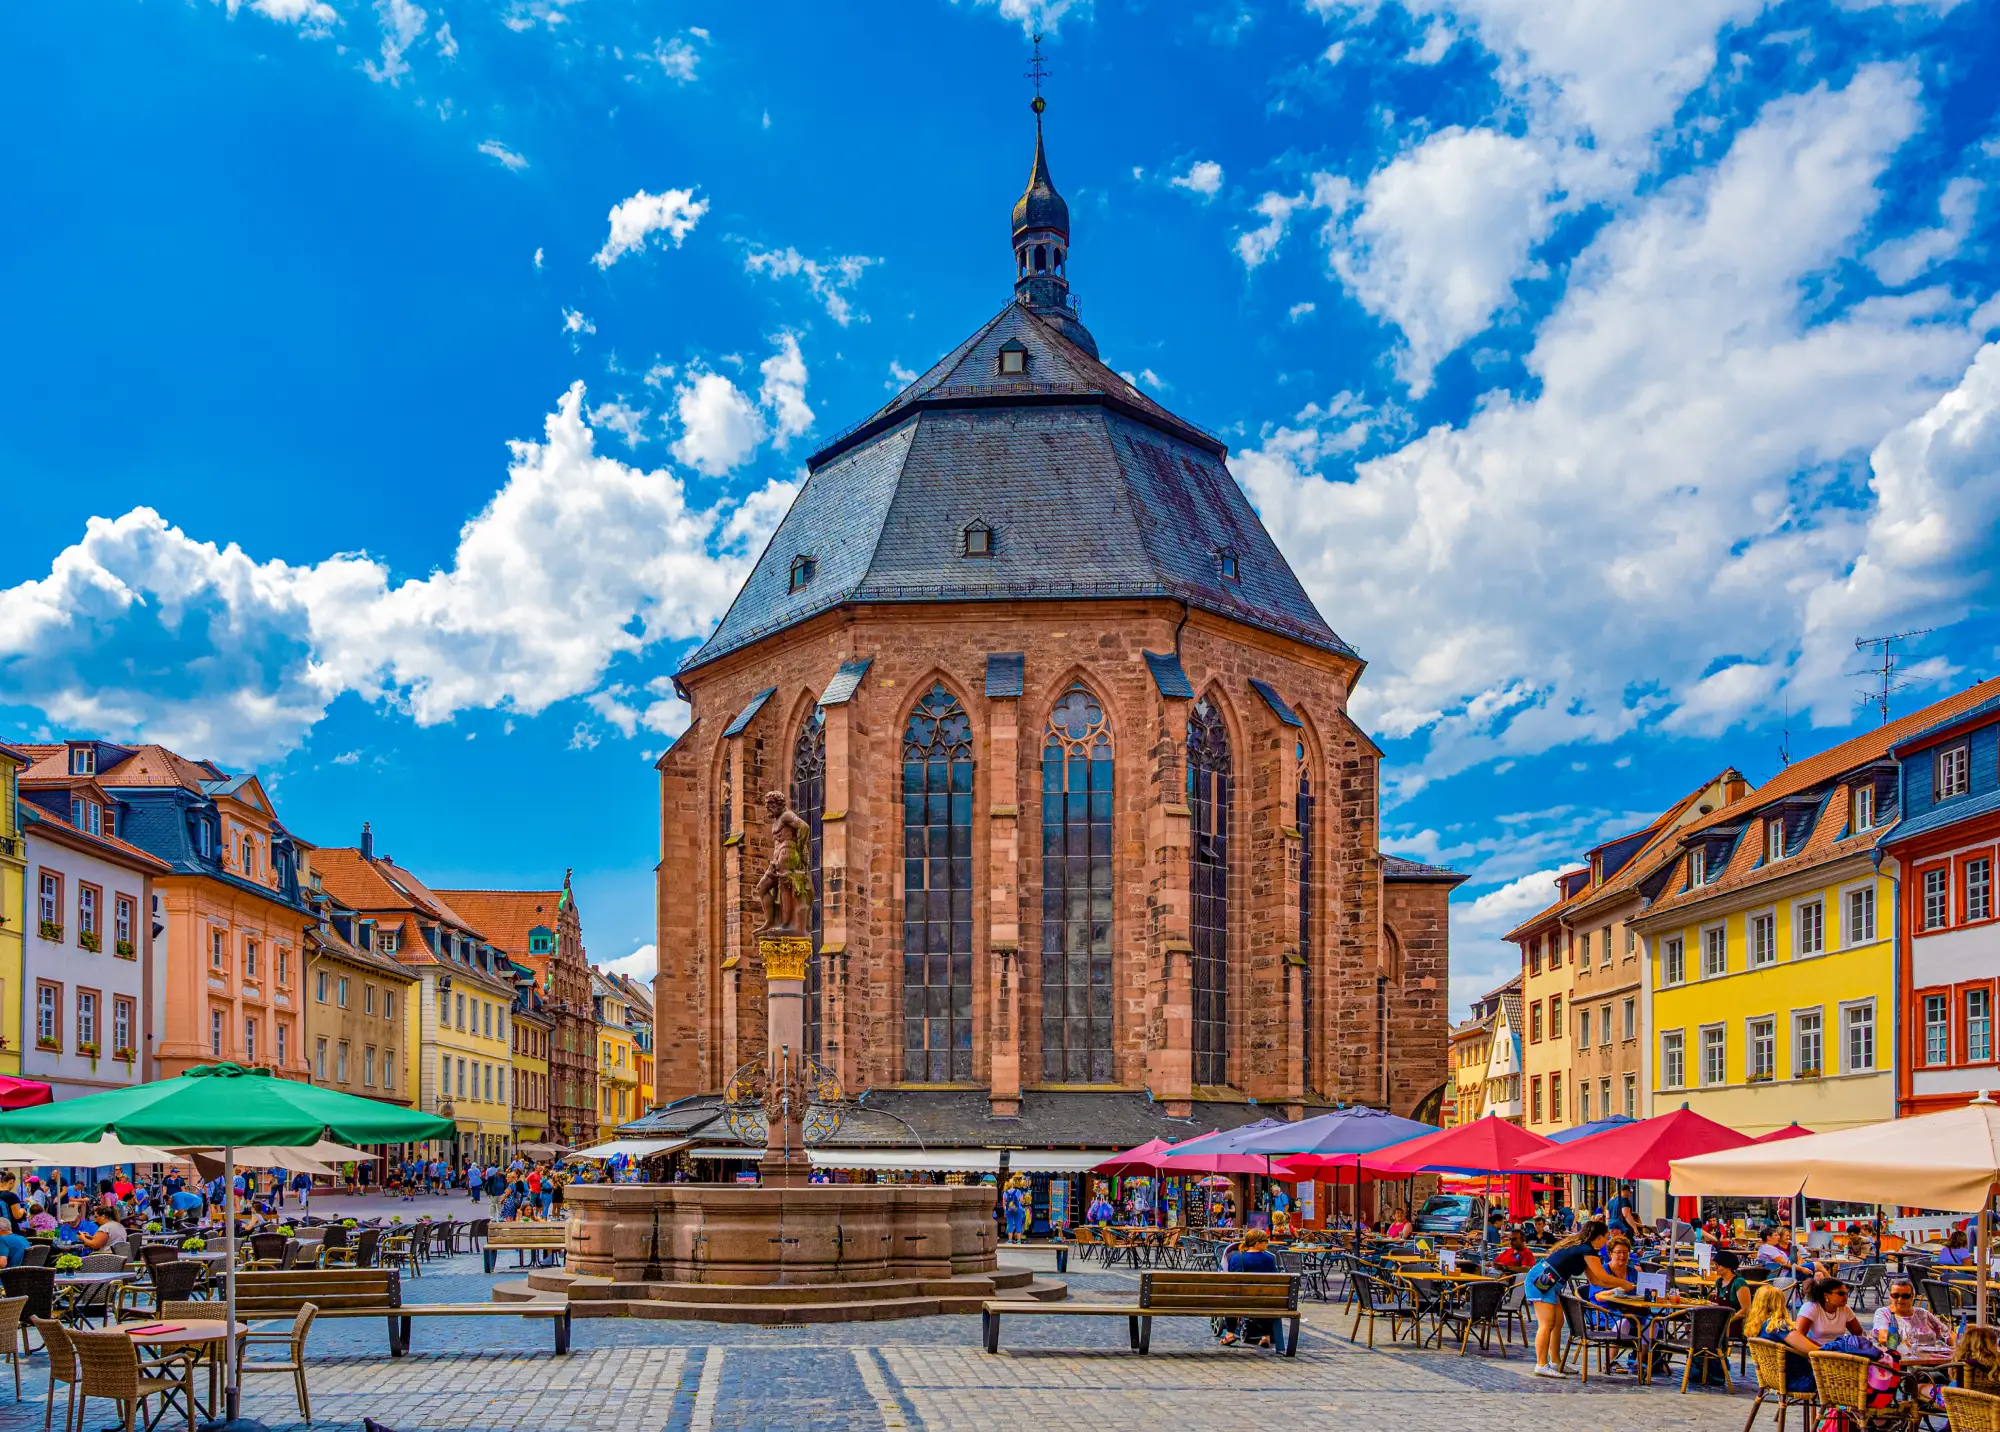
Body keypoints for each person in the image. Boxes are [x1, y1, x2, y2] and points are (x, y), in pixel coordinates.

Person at [1524, 1220, 1635, 1378]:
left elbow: (1595, 1280)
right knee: (1547, 1323)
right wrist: (1624, 1283)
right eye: (1606, 1237)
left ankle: (1556, 1362)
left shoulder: (1586, 1250)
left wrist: (1617, 1286)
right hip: (1542, 1280)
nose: (1607, 1241)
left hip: (1552, 1282)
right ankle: (1541, 1364)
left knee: (1558, 1323)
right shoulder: (1586, 1249)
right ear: (1599, 1236)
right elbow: (1603, 1275)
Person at [1218, 1228, 1281, 1349]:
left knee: (1230, 1299)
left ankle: (1230, 1333)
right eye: (1265, 1241)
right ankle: (1265, 1336)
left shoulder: (1236, 1258)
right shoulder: (1269, 1259)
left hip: (1239, 1301)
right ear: (1258, 1244)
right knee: (1266, 1299)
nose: (1267, 1243)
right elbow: (1274, 1279)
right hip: (1262, 1300)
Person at [1872, 1280, 1952, 1352]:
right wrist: (1903, 1345)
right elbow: (1883, 1337)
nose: (1900, 1299)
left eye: (1905, 1296)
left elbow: (1947, 1333)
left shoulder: (1922, 1313)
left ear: (1912, 1296)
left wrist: (1960, 1346)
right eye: (1895, 1295)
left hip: (1934, 1357)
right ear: (1890, 1296)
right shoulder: (1884, 1313)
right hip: (1904, 1359)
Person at [1795, 1277, 1866, 1345]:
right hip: (1814, 1351)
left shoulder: (1845, 1309)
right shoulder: (1811, 1307)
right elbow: (1798, 1336)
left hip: (1838, 1351)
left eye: (1846, 1293)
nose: (1845, 1297)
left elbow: (1859, 1333)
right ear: (1826, 1295)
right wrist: (1824, 1348)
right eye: (1841, 1294)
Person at [1709, 1249, 1756, 1319]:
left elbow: (1745, 1309)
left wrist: (1729, 1321)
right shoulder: (1719, 1281)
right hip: (1720, 1319)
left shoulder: (1739, 1282)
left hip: (1735, 1321)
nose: (1715, 1267)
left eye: (1718, 1265)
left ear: (1728, 1266)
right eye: (1714, 1264)